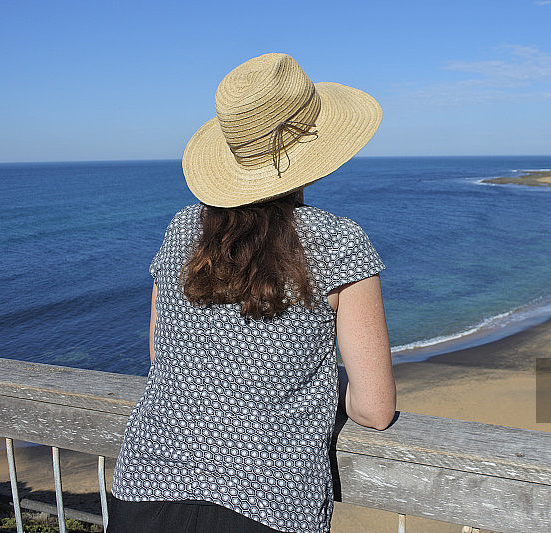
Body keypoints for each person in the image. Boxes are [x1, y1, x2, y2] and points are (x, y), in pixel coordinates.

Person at [108, 53, 396, 533]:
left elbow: (162, 354)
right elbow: (374, 409)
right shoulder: (338, 241)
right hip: (268, 501)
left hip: (145, 487)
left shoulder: (183, 228)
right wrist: (319, 387)